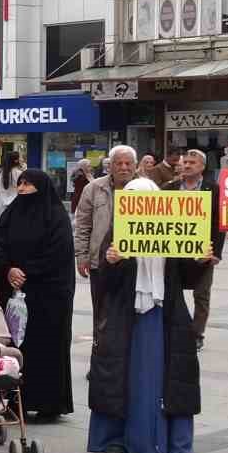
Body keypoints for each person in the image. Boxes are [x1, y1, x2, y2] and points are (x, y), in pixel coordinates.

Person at [88, 178, 204, 453]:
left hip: (165, 317)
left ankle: (170, 439)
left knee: (166, 378)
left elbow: (187, 279)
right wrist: (112, 262)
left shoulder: (172, 231)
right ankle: (117, 437)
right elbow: (104, 282)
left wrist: (199, 260)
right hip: (125, 320)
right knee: (123, 378)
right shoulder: (115, 235)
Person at [0, 169, 74, 420]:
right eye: (21, 184)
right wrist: (8, 269)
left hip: (49, 294)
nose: (24, 189)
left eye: (29, 184)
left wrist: (26, 272)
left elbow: (57, 254)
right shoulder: (11, 214)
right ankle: (16, 402)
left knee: (47, 347)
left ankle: (49, 404)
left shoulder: (57, 217)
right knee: (17, 346)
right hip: (14, 290)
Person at [74, 146, 138, 348]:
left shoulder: (146, 188)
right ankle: (100, 354)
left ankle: (128, 358)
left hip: (135, 263)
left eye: (128, 164)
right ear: (110, 166)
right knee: (101, 311)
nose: (124, 168)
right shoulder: (93, 188)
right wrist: (81, 256)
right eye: (119, 163)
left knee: (131, 311)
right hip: (99, 262)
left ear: (135, 166)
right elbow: (82, 225)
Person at [167, 150, 225, 349]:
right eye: (185, 162)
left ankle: (197, 333)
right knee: (173, 293)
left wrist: (216, 252)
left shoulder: (213, 189)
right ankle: (176, 330)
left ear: (202, 166)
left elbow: (219, 221)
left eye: (193, 162)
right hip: (174, 252)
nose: (187, 165)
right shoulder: (169, 188)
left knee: (201, 295)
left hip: (203, 252)